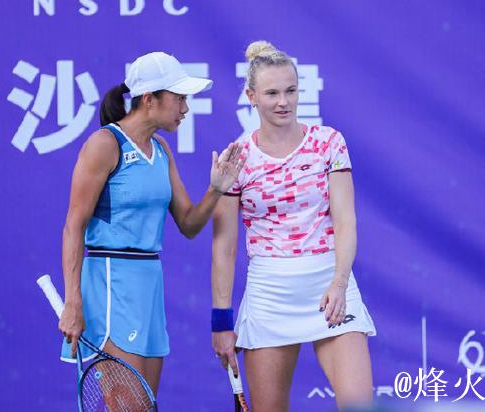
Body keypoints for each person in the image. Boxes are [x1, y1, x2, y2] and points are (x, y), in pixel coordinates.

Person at [58, 51, 244, 397]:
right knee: (126, 404)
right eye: (179, 98)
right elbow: (74, 226)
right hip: (110, 287)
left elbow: (188, 224)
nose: (185, 108)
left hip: (149, 288)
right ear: (149, 99)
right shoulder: (104, 145)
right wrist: (73, 302)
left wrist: (216, 189)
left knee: (145, 404)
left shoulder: (160, 149)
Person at [211, 41, 376, 411]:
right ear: (251, 97)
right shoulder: (237, 158)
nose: (283, 102)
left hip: (330, 286)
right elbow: (224, 247)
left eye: (291, 91)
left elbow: (345, 221)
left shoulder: (329, 142)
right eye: (272, 93)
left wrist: (339, 283)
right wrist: (221, 321)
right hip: (270, 294)